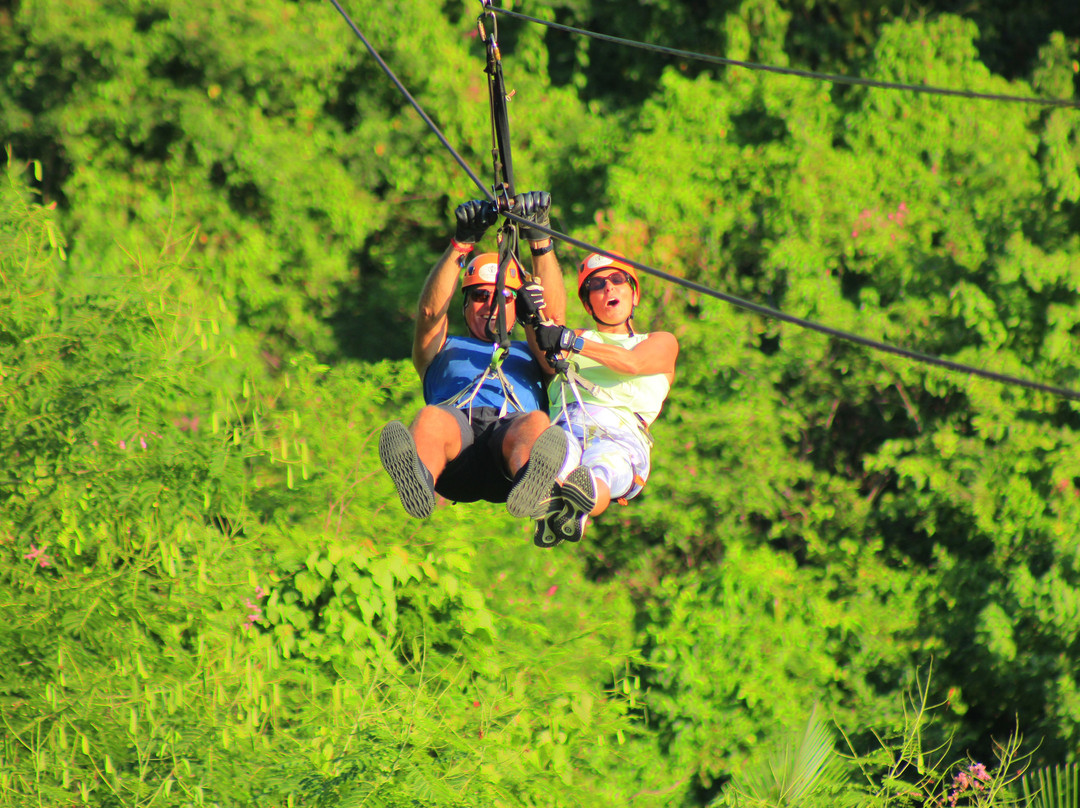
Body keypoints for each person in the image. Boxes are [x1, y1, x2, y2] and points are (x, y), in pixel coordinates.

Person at [378, 192, 570, 521]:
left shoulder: (533, 350)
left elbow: (554, 325)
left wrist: (539, 237)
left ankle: (534, 484)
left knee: (537, 422)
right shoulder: (441, 348)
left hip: (507, 453)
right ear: (465, 305)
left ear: (517, 305)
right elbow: (428, 312)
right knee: (430, 418)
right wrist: (460, 244)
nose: (491, 305)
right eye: (480, 296)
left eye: (503, 297)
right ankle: (418, 478)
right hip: (456, 451)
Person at [531, 252, 679, 546]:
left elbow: (632, 364)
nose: (608, 288)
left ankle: (575, 506)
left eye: (617, 280)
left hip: (622, 434)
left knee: (600, 469)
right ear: (588, 304)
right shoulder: (570, 337)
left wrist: (572, 343)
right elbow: (548, 326)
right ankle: (553, 502)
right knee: (560, 458)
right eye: (597, 285)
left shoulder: (658, 342)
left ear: (634, 295)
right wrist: (539, 247)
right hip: (567, 426)